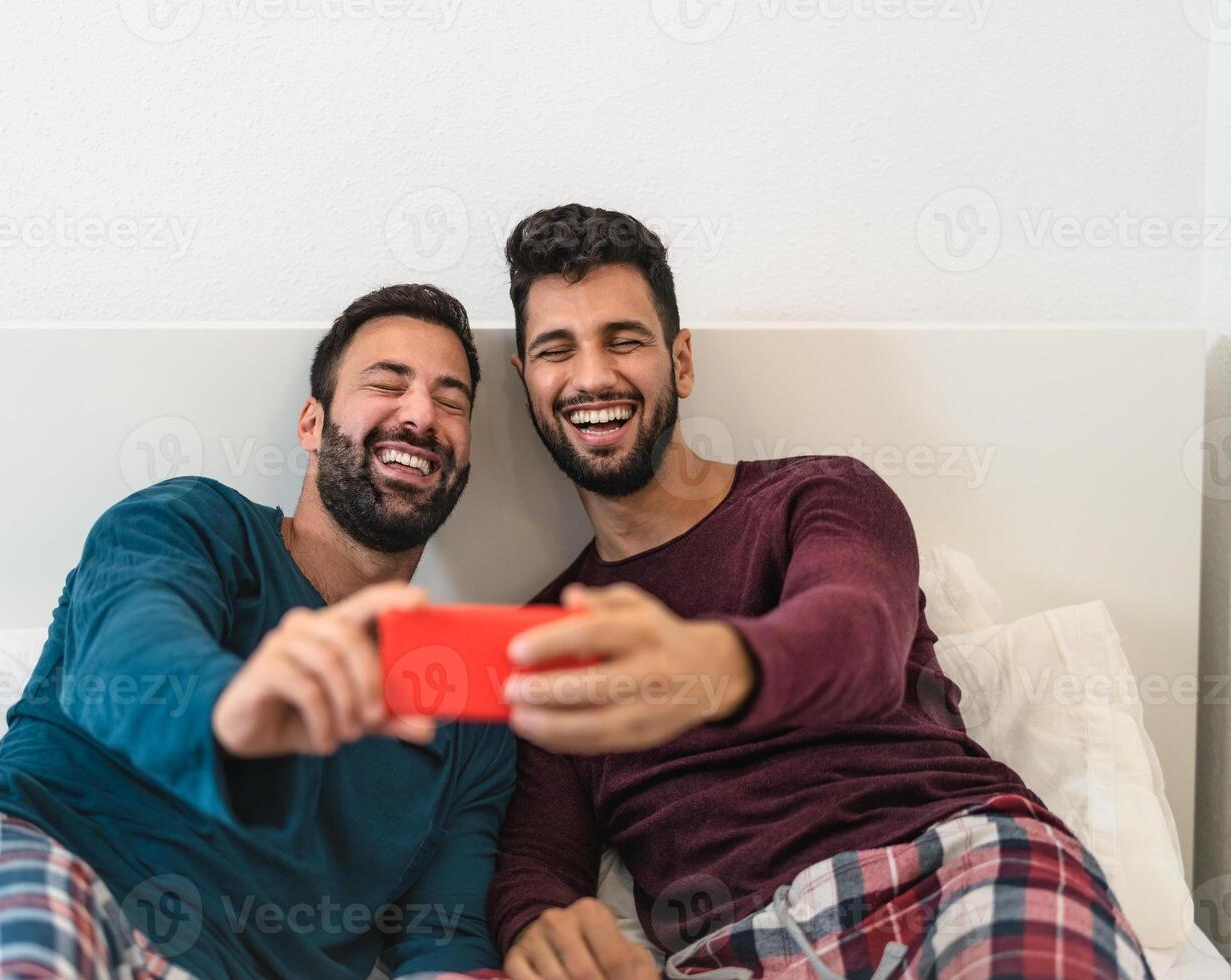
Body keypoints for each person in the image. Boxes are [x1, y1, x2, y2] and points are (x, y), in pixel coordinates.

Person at [487, 205, 1153, 979]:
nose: (593, 376)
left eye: (624, 340)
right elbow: (539, 852)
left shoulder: (819, 494)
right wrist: (538, 925)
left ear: (682, 361)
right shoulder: (549, 630)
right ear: (525, 381)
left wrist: (711, 664)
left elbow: (857, 638)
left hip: (957, 872)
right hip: (739, 948)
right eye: (556, 350)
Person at [0, 284, 515, 980]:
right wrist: (236, 713)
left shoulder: (469, 703)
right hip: (36, 872)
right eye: (386, 384)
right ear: (311, 423)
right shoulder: (195, 525)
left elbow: (442, 935)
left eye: (450, 401)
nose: (421, 415)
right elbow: (132, 651)